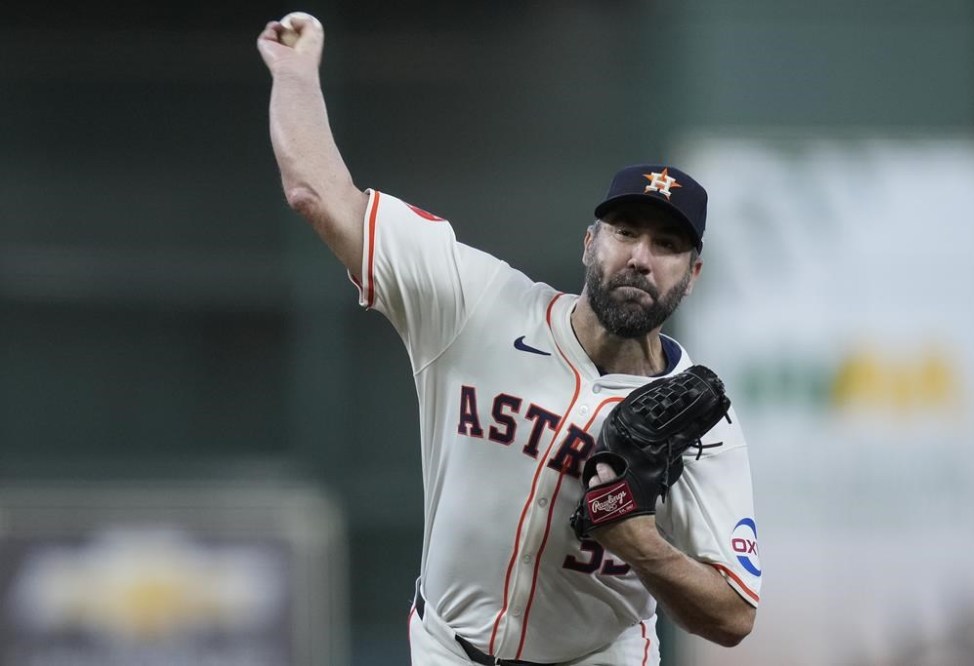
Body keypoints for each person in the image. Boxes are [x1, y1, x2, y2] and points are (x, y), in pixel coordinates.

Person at [257, 12, 760, 665]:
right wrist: (295, 74)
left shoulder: (704, 431)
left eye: (667, 245)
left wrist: (638, 541)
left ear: (692, 274)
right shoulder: (477, 303)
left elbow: (733, 616)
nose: (641, 256)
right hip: (448, 649)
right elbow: (318, 195)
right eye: (625, 232)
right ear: (589, 242)